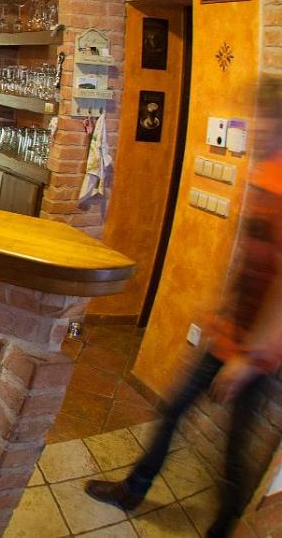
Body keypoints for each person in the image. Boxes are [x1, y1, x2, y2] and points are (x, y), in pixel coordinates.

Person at [85, 75, 282, 538]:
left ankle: (222, 526)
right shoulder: (265, 173)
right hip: (233, 335)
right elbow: (251, 263)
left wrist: (250, 357)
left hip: (257, 351)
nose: (256, 127)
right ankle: (134, 489)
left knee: (233, 449)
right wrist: (223, 313)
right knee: (175, 410)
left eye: (266, 119)